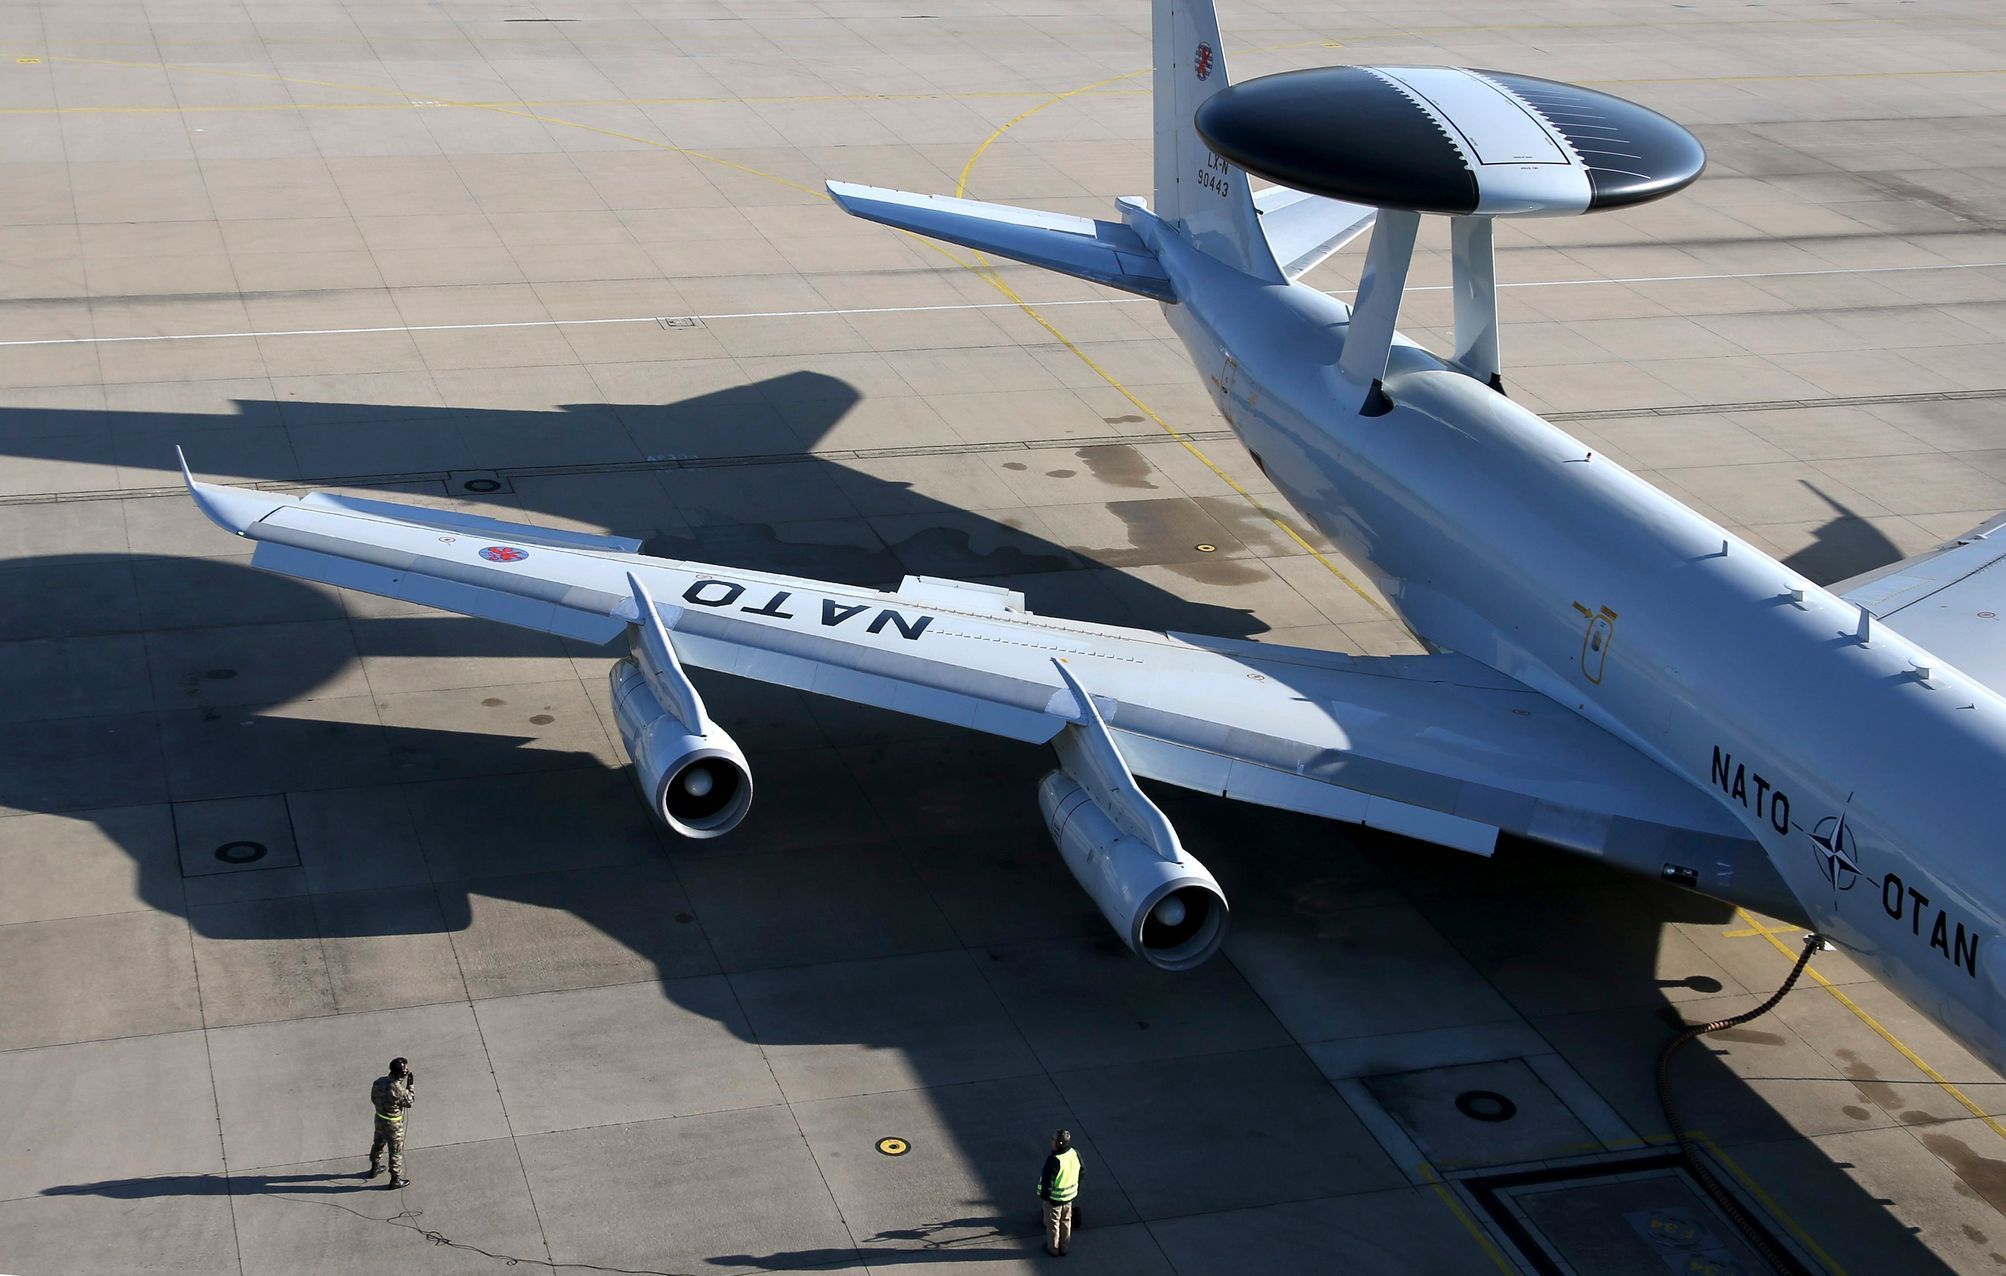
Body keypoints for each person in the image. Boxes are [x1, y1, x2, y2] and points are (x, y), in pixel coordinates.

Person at [368, 1056, 416, 1188]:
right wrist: (410, 1086)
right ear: (402, 1073)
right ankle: (395, 1179)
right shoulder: (399, 1090)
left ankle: (374, 1167)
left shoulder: (378, 1082)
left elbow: (373, 1098)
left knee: (378, 1143)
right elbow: (409, 1102)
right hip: (394, 1124)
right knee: (395, 1150)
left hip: (379, 1119)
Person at [1035, 1127, 1081, 1256]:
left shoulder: (1054, 1160)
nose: (1051, 1141)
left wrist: (1045, 1196)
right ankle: (1064, 1247)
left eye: (1053, 1139)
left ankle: (1053, 1248)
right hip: (1069, 1196)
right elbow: (1082, 1170)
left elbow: (1046, 1183)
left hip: (1054, 1199)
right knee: (1066, 1221)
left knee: (1053, 1223)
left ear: (1058, 1143)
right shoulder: (1074, 1153)